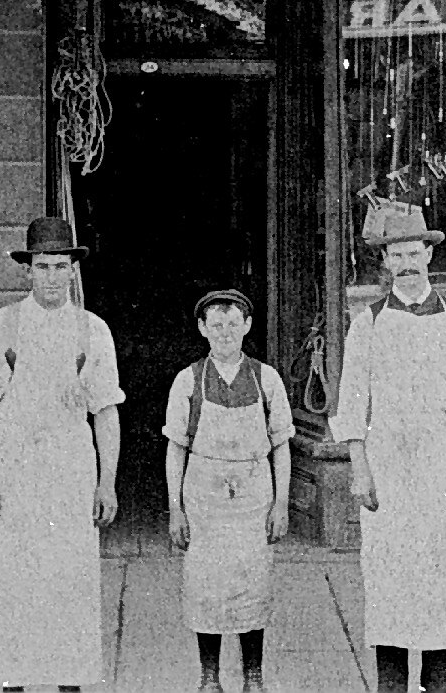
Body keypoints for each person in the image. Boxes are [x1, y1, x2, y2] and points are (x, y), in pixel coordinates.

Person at [330, 203, 446, 693]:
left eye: (413, 253)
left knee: (440, 571)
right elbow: (352, 403)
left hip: (441, 465)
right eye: (396, 255)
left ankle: (440, 684)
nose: (405, 264)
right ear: (385, 261)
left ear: (429, 254)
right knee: (388, 572)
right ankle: (392, 684)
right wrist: (360, 469)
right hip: (387, 465)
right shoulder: (368, 323)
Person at [0, 215, 123, 692]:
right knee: (11, 580)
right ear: (27, 270)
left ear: (73, 270)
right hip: (15, 465)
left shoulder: (92, 330)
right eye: (43, 266)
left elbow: (106, 412)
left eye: (60, 266)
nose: (52, 276)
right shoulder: (1, 327)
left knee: (69, 579)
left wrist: (107, 482)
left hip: (70, 466)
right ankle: (12, 684)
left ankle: (69, 683)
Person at [164, 289, 293, 693]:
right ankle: (210, 677)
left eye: (233, 324)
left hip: (254, 497)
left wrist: (281, 504)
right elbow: (176, 448)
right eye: (216, 325)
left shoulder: (266, 378)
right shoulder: (188, 380)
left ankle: (253, 676)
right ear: (203, 329)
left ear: (247, 326)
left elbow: (281, 446)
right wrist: (175, 509)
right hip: (204, 497)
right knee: (206, 586)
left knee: (253, 583)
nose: (225, 333)